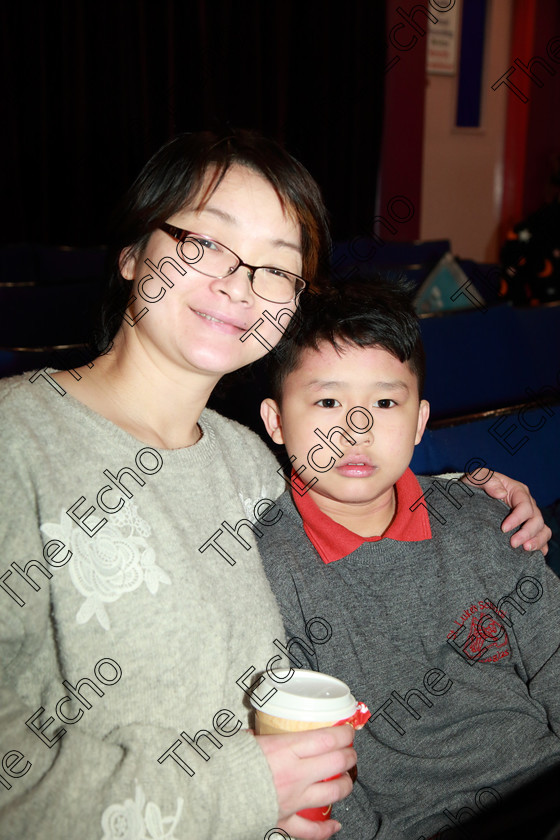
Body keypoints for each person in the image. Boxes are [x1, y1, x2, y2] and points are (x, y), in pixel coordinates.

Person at [0, 129, 551, 840]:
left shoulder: (248, 464)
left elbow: (355, 501)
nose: (240, 284)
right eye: (207, 241)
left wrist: (470, 491)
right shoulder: (19, 441)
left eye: (276, 268)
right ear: (134, 253)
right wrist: (247, 787)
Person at [258, 275, 560, 840]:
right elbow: (317, 775)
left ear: (420, 421)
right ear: (276, 421)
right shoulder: (267, 572)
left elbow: (554, 656)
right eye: (328, 400)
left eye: (385, 401)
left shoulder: (483, 517)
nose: (357, 427)